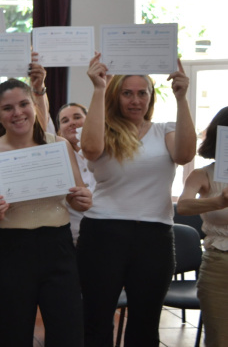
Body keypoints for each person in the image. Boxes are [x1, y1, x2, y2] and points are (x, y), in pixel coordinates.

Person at [79, 55, 196, 346]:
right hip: (103, 234)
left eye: (142, 93)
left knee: (145, 323)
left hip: (154, 236)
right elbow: (91, 149)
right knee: (96, 319)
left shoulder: (164, 130)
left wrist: (182, 99)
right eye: (127, 93)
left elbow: (185, 155)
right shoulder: (103, 130)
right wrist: (97, 88)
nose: (135, 100)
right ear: (116, 96)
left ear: (151, 97)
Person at [0, 79, 92, 346]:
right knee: (14, 329)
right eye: (8, 108)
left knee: (67, 328)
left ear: (34, 105)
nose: (17, 113)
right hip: (12, 249)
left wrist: (83, 199)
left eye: (23, 104)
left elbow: (77, 201)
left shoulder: (59, 146)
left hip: (58, 245)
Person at [176, 106, 228, 347]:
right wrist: (218, 201)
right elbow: (184, 207)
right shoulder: (203, 175)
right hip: (220, 263)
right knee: (219, 336)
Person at [56, 102, 96, 243]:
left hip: (109, 232)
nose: (72, 123)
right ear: (60, 130)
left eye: (77, 117)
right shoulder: (58, 159)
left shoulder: (106, 152)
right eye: (65, 121)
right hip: (73, 238)